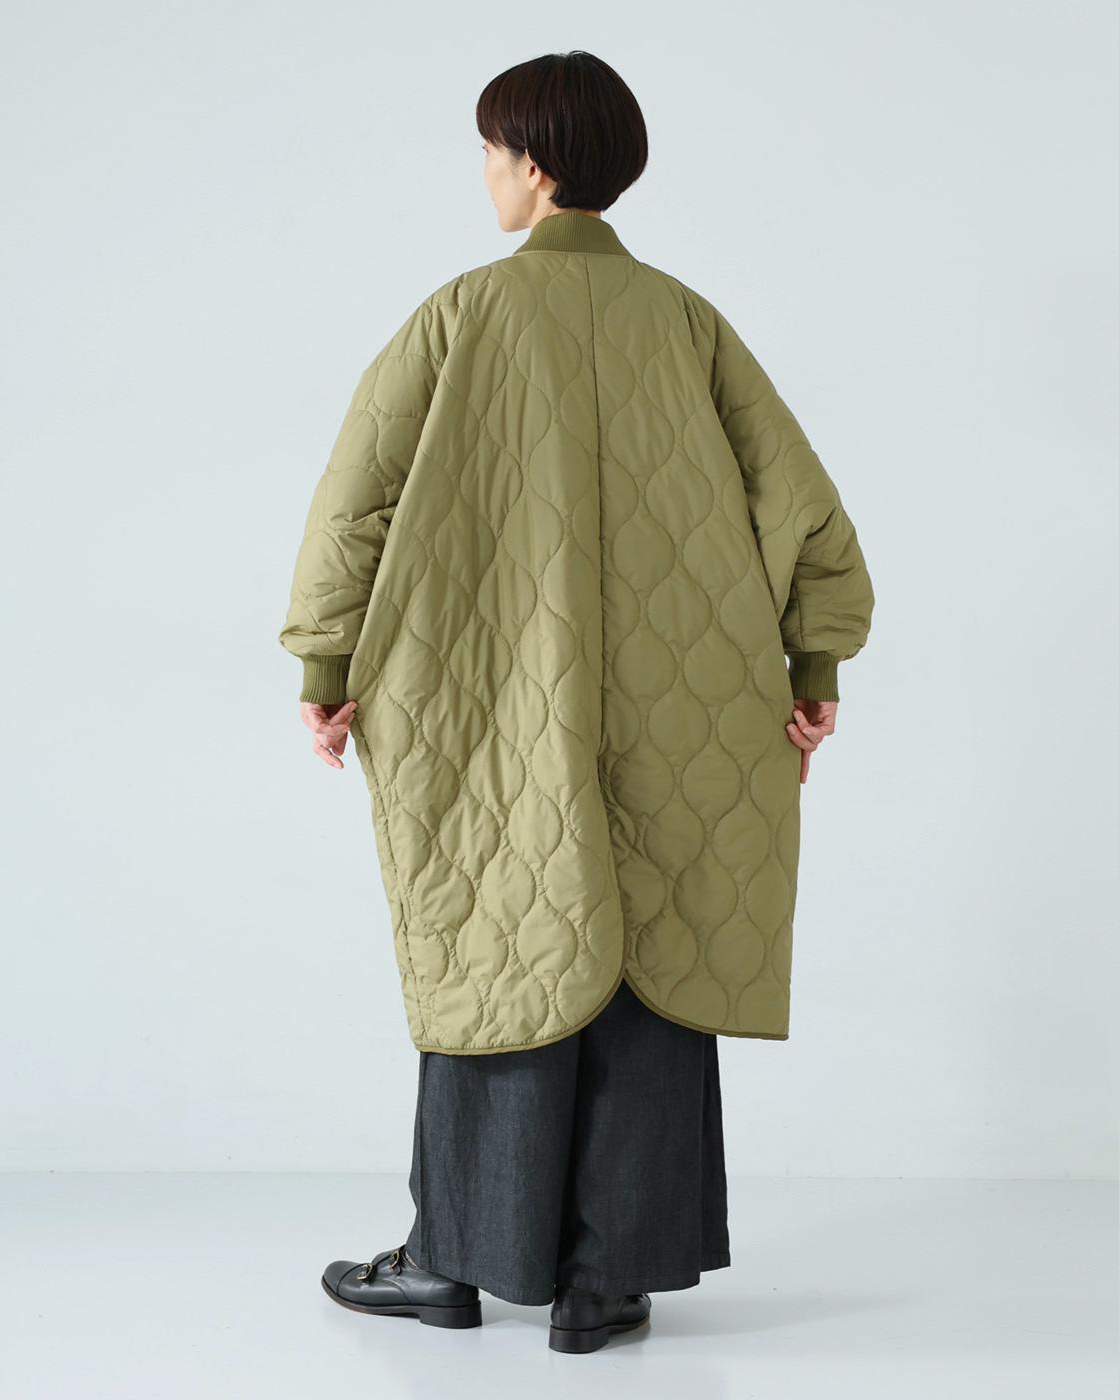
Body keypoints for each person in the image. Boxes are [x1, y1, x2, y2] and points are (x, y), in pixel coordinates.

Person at [277, 50, 875, 1354]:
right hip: (691, 693)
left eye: (494, 152)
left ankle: (453, 1258)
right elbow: (807, 511)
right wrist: (812, 668)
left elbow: (354, 505)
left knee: (496, 933)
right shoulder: (688, 323)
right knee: (656, 953)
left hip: (488, 693)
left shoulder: (461, 316)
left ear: (536, 166)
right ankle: (610, 1278)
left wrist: (327, 670)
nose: (487, 174)